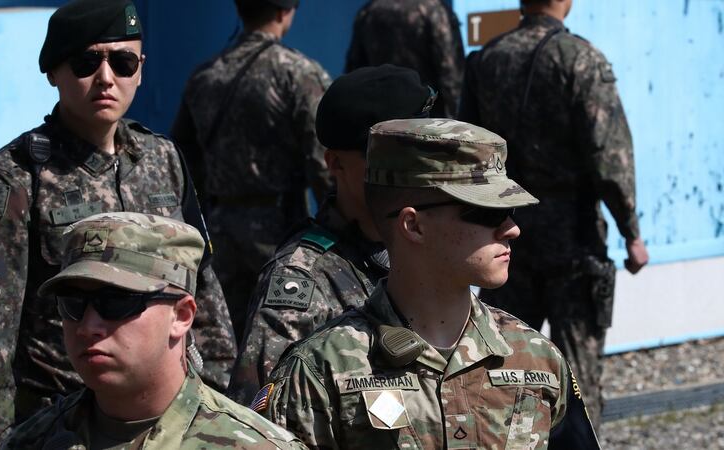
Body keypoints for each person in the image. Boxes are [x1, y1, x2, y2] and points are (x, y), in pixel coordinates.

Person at [0, 1, 236, 448]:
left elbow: (203, 290)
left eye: (122, 63)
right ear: (53, 72)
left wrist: (217, 401)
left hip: (170, 420)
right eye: (86, 63)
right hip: (64, 422)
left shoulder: (162, 159)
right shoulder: (14, 178)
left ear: (140, 70)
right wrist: (0, 441)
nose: (106, 79)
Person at [257, 118, 599, 449]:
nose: (511, 229)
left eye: (511, 213)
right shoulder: (321, 374)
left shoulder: (537, 360)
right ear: (414, 226)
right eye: (486, 213)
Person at [458, 0, 649, 428]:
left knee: (501, 366)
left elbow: (468, 156)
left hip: (505, 232)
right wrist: (631, 232)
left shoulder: (487, 59)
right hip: (572, 236)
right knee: (577, 374)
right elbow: (610, 157)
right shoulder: (580, 58)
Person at [0, 212, 306, 449]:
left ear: (181, 316)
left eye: (117, 302)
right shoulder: (31, 441)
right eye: (73, 303)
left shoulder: (254, 444)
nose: (89, 326)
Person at [227, 65, 437, 405]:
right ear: (335, 163)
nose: (409, 170)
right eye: (387, 156)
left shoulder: (434, 244)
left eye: (421, 152)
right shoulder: (303, 280)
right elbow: (256, 423)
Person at [171, 0, 332, 341]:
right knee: (285, 337)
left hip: (218, 232)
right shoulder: (298, 72)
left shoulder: (206, 76)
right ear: (283, 12)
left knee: (224, 338)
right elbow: (324, 163)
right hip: (280, 232)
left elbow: (183, 163)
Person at [345, 0, 465, 118]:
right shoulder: (433, 10)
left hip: (380, 118)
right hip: (426, 116)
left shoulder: (369, 11)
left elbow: (354, 71)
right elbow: (451, 72)